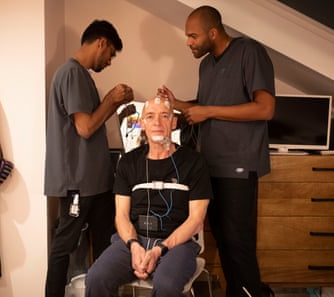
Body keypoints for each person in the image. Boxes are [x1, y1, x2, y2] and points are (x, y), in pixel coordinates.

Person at [158, 5, 276, 297]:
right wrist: (178, 104)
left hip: (238, 164)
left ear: (213, 32)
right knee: (223, 240)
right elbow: (204, 109)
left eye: (193, 36)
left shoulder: (249, 52)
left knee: (239, 243)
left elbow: (265, 108)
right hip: (209, 167)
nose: (189, 42)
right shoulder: (206, 65)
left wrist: (206, 111)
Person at [85, 96, 212, 297]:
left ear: (173, 122)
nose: (157, 123)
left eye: (164, 116)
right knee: (96, 277)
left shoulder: (194, 163)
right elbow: (122, 216)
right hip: (133, 241)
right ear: (143, 123)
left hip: (177, 244)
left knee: (167, 286)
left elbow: (196, 220)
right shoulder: (128, 163)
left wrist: (160, 249)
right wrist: (134, 246)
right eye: (150, 116)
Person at [44, 19, 134, 297]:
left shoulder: (82, 75)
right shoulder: (71, 73)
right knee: (64, 246)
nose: (109, 62)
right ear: (101, 43)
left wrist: (115, 104)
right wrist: (110, 99)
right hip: (77, 183)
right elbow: (85, 128)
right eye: (110, 55)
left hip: (95, 182)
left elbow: (90, 124)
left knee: (107, 247)